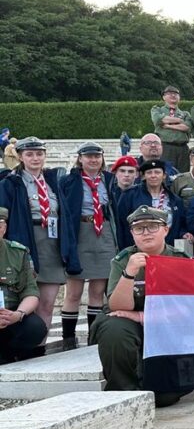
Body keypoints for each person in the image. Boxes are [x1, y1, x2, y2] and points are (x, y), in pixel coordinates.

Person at [89, 206, 188, 407]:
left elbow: (186, 310)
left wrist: (141, 316)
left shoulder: (180, 261)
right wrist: (129, 273)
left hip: (166, 324)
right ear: (132, 233)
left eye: (152, 227)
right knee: (113, 328)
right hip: (128, 322)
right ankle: (122, 390)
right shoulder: (123, 260)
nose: (146, 232)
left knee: (165, 397)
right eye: (139, 228)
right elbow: (117, 305)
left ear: (166, 230)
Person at [0, 137, 67, 337]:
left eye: (39, 153)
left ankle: (40, 349)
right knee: (23, 299)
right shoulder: (11, 183)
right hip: (25, 240)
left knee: (47, 305)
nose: (35, 158)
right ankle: (17, 348)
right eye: (29, 154)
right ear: (20, 156)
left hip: (51, 243)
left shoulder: (53, 181)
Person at [58, 142, 118, 350]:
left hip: (104, 232)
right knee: (73, 291)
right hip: (80, 231)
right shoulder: (68, 181)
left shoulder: (110, 180)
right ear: (80, 159)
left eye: (97, 156)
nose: (93, 160)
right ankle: (68, 337)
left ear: (102, 159)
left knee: (98, 289)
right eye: (88, 156)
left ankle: (94, 336)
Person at [0, 207, 48, 362]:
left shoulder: (18, 253)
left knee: (35, 328)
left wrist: (18, 315)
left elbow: (31, 293)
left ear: (4, 228)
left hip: (10, 314)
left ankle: (10, 353)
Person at [115, 159, 187, 250]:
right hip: (137, 248)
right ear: (143, 176)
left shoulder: (175, 200)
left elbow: (180, 225)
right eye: (149, 173)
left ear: (164, 175)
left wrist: (184, 233)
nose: (153, 176)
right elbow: (121, 224)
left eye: (157, 172)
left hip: (167, 249)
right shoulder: (129, 195)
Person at [150, 86, 191, 172]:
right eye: (169, 94)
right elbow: (158, 120)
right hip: (166, 147)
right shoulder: (157, 110)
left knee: (183, 175)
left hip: (182, 148)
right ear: (164, 97)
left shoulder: (185, 114)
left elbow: (187, 127)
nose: (173, 95)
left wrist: (168, 125)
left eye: (176, 94)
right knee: (166, 174)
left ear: (179, 97)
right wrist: (179, 121)